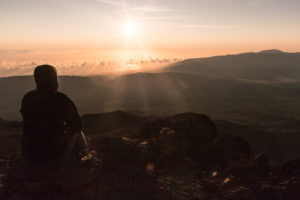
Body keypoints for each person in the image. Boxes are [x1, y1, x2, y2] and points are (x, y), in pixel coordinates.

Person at [20, 65, 89, 162]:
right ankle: (85, 156)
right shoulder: (61, 99)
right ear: (53, 79)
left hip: (30, 154)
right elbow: (77, 126)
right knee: (78, 132)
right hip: (54, 154)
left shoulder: (28, 98)